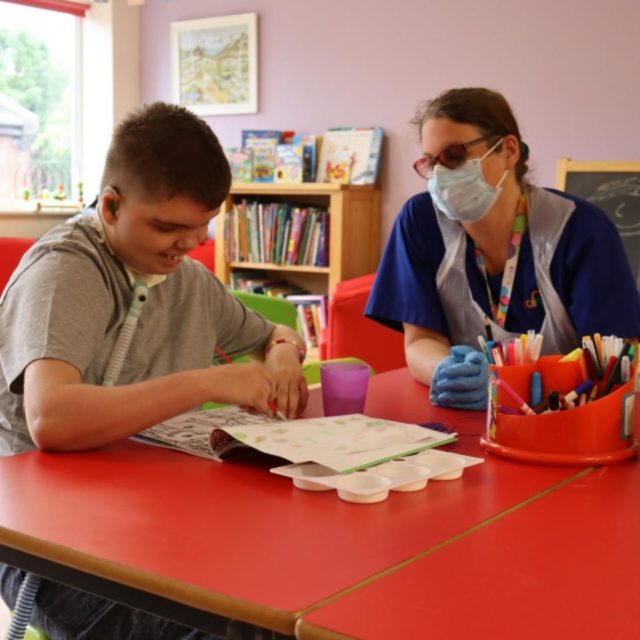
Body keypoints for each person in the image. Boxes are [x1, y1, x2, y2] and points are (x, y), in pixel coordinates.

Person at [0, 102, 307, 639]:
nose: (187, 246)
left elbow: (273, 334)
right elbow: (52, 419)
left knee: (289, 596)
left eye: (200, 229)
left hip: (151, 514)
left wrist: (282, 350)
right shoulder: (65, 272)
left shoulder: (186, 279)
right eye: (168, 227)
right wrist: (209, 381)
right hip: (50, 541)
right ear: (112, 206)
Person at [366, 87, 640, 410]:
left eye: (455, 156)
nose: (440, 176)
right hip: (468, 421)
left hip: (564, 422)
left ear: (509, 151)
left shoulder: (580, 231)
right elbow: (421, 341)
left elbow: (616, 360)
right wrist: (445, 370)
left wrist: (509, 383)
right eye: (430, 162)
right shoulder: (420, 222)